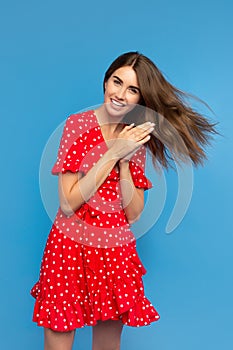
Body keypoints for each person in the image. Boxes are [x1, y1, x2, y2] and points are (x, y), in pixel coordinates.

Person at [31, 51, 217, 350]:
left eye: (132, 90)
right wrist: (113, 153)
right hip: (68, 248)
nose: (120, 94)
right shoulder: (77, 126)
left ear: (140, 100)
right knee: (58, 333)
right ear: (105, 82)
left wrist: (127, 161)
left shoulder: (135, 137)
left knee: (107, 343)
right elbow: (68, 203)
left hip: (115, 250)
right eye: (117, 82)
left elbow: (133, 213)